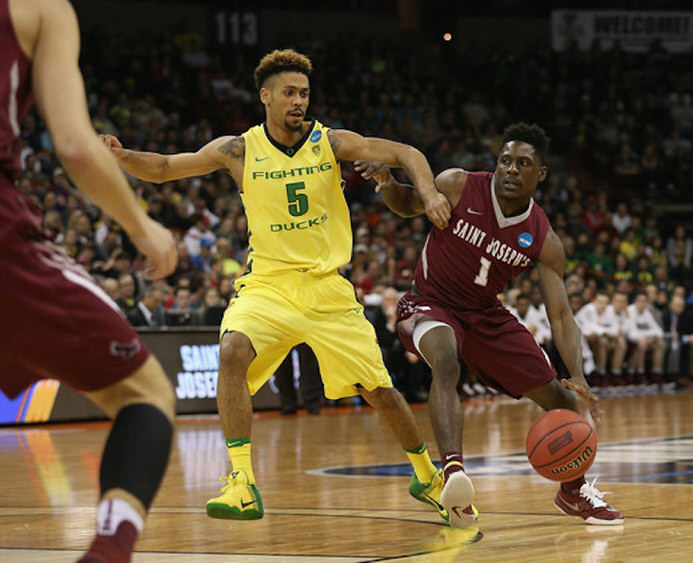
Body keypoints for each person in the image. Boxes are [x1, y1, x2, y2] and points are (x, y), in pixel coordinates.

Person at [101, 49, 453, 523]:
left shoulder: (329, 142)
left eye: (304, 93)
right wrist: (121, 156)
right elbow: (165, 167)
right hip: (267, 285)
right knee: (231, 351)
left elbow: (405, 153)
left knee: (381, 391)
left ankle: (425, 474)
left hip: (327, 289)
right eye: (289, 92)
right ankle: (242, 483)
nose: (298, 102)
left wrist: (428, 192)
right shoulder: (238, 150)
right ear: (264, 96)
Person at [357, 122, 623, 527]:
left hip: (484, 314)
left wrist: (579, 374)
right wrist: (389, 182)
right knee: (446, 359)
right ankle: (454, 475)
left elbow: (561, 314)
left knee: (565, 403)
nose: (512, 169)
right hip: (430, 303)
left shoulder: (543, 238)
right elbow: (409, 202)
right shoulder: (458, 184)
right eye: (505, 161)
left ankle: (573, 493)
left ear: (541, 174)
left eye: (523, 163)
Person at [0, 0, 178, 561]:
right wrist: (142, 226)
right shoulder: (41, 8)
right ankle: (108, 550)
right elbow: (75, 145)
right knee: (144, 394)